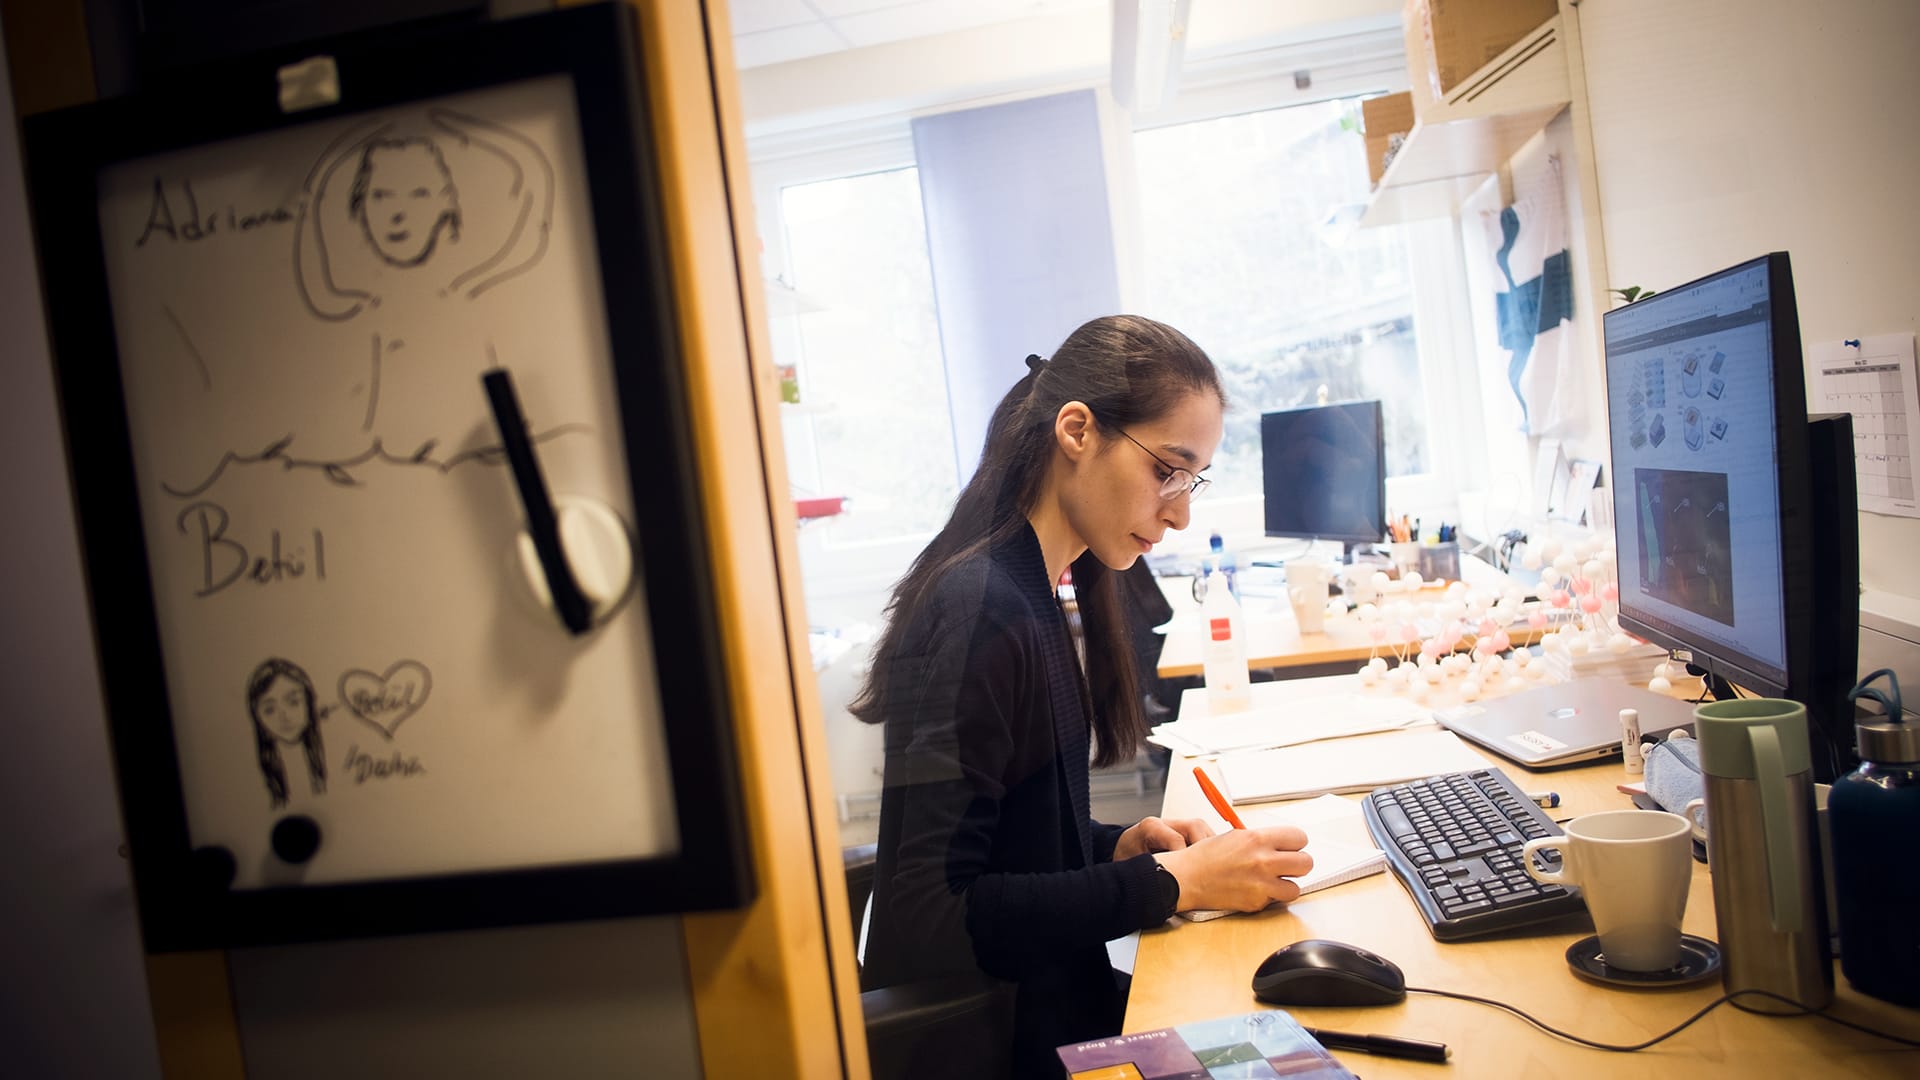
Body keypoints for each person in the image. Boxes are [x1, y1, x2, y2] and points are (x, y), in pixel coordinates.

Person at [852, 315, 1313, 1076]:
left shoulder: (1038, 589)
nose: (1180, 510)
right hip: (1007, 1042)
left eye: (1191, 481)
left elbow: (1009, 834)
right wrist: (1164, 885)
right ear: (1077, 431)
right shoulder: (981, 611)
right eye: (1168, 468)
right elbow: (932, 916)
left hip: (1056, 1002)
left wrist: (1115, 846)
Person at [247, 657, 327, 808]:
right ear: (257, 717)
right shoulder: (259, 774)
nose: (283, 716)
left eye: (293, 702)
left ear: (309, 703)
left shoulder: (328, 754)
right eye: (269, 710)